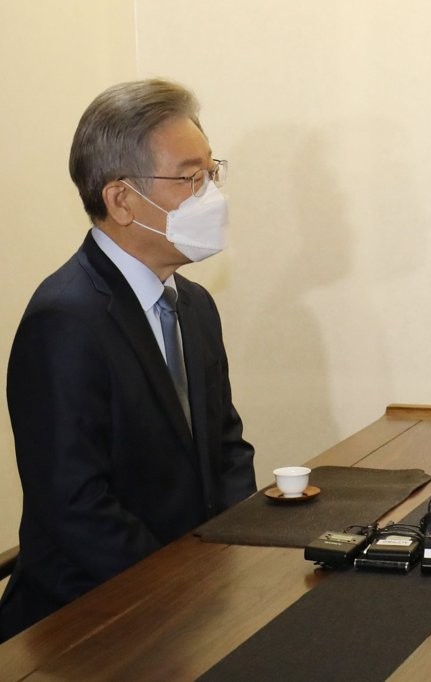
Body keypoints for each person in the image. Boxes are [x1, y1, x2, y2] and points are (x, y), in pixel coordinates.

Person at [0, 79, 256, 641]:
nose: (210, 196)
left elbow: (227, 447)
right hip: (87, 620)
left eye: (211, 174)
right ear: (120, 200)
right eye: (190, 179)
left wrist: (234, 553)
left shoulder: (194, 304)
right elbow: (75, 503)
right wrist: (177, 583)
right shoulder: (65, 318)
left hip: (192, 604)